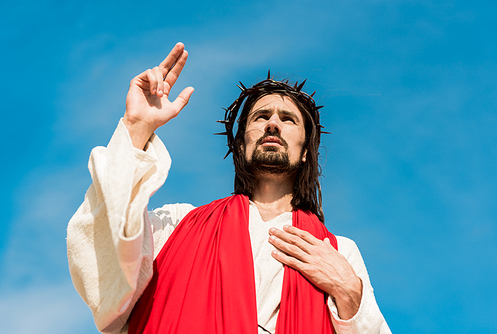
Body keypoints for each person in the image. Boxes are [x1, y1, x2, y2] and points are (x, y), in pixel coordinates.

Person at [67, 42, 391, 334]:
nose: (273, 123)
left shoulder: (338, 253)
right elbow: (103, 259)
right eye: (261, 116)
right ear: (241, 143)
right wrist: (136, 129)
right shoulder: (177, 225)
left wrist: (351, 296)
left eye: (288, 119)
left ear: (306, 150)